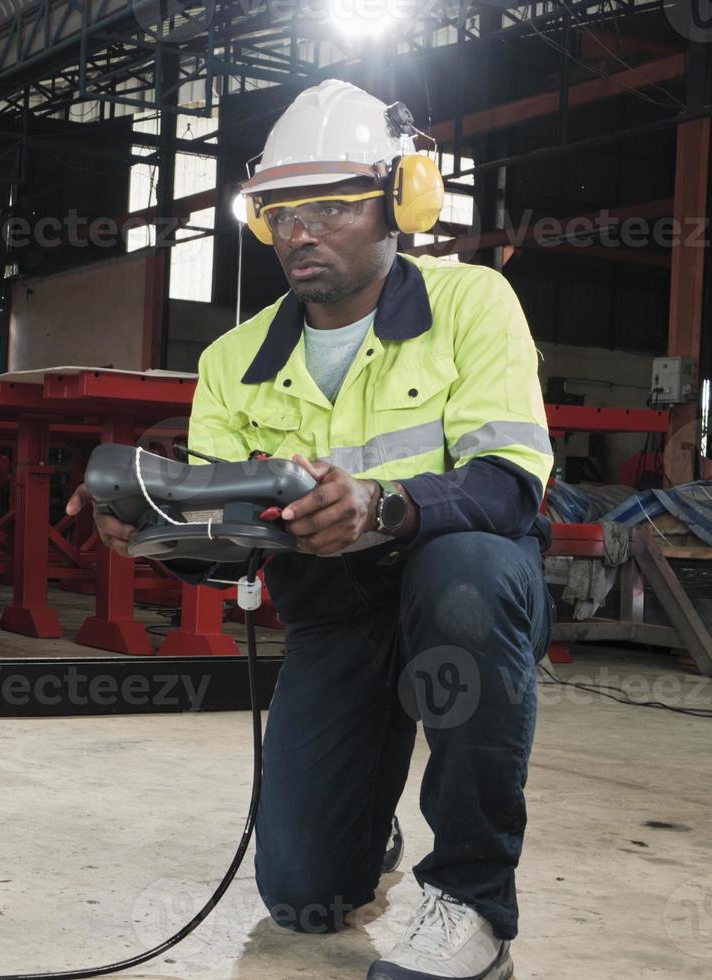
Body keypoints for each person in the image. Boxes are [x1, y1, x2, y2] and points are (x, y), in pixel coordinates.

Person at [67, 80, 554, 980]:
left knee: (469, 578)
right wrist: (155, 530)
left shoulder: (473, 305)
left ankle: (472, 903)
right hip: (334, 614)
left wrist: (385, 505)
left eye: (332, 204)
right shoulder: (231, 361)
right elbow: (229, 548)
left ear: (401, 201)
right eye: (282, 209)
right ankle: (366, 823)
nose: (300, 230)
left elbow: (509, 488)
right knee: (303, 898)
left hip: (457, 589)